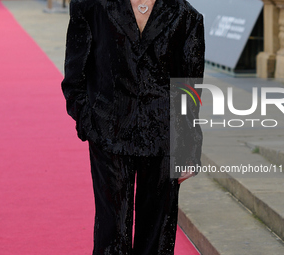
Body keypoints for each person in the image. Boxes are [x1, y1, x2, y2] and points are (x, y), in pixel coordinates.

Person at [61, 0, 205, 254]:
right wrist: (89, 124)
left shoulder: (187, 16)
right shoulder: (91, 7)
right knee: (111, 233)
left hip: (164, 137)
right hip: (109, 133)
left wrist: (187, 148)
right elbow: (74, 76)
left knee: (157, 234)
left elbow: (189, 91)